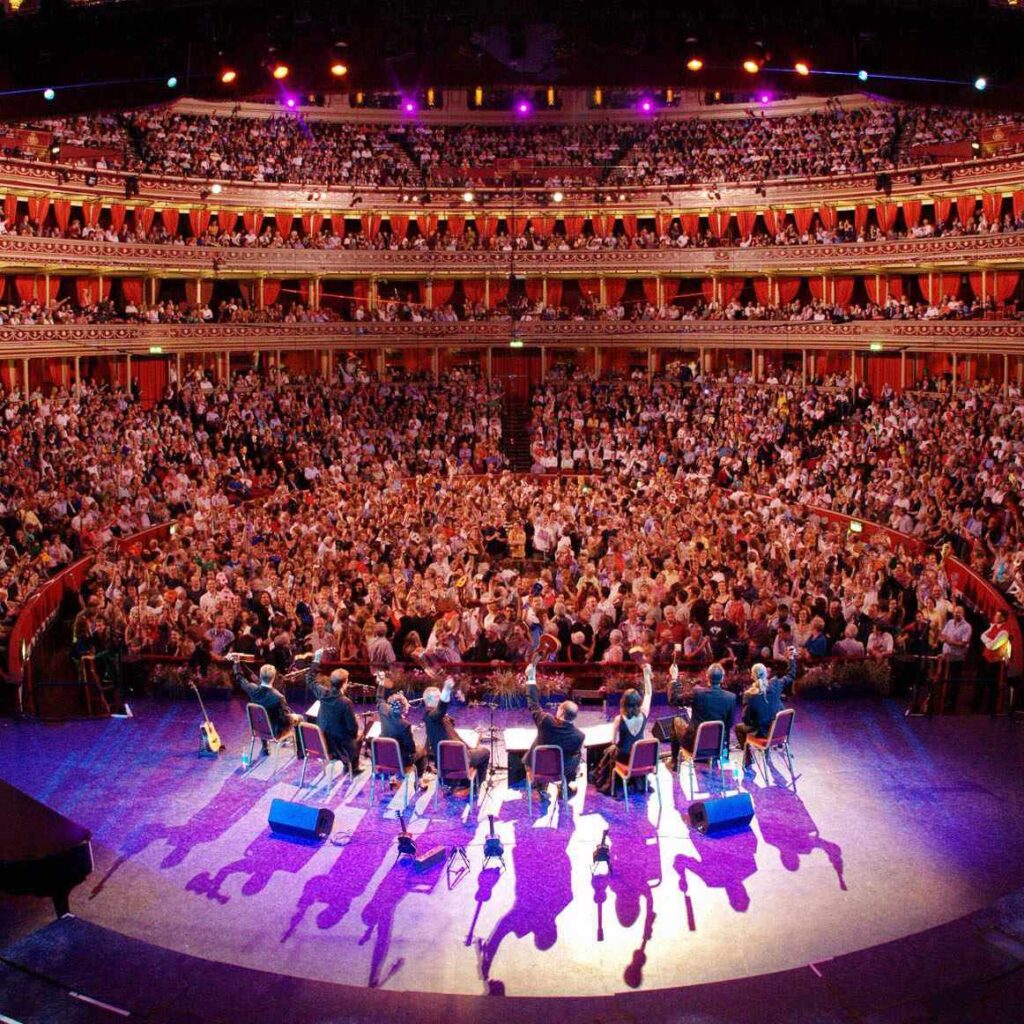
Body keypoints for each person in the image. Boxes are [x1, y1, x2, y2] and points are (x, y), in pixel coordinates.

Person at [524, 661, 585, 795]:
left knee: (541, 743)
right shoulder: (579, 736)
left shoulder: (546, 721)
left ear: (561, 712)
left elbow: (533, 703)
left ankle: (540, 784)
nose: (557, 708)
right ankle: (565, 786)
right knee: (577, 756)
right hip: (560, 771)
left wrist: (531, 678)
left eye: (559, 708)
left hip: (537, 767)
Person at [594, 662, 654, 796]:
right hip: (639, 757)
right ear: (638, 702)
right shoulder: (644, 713)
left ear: (623, 703)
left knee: (609, 751)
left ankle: (609, 782)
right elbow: (649, 693)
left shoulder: (618, 719)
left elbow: (613, 741)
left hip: (624, 757)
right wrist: (646, 675)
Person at [423, 675, 490, 787]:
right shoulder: (433, 716)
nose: (441, 698)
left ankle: (464, 782)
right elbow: (441, 709)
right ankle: (475, 786)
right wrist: (446, 689)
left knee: (474, 748)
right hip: (457, 760)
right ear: (433, 700)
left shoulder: (430, 718)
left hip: (443, 762)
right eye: (439, 697)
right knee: (485, 752)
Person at [735, 649, 798, 765]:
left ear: (752, 676)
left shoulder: (749, 695)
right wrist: (791, 658)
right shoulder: (776, 684)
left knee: (739, 728)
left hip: (764, 734)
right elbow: (791, 675)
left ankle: (748, 759)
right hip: (779, 731)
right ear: (766, 674)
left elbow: (747, 720)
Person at [669, 661, 736, 768]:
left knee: (676, 720)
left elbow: (674, 700)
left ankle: (674, 761)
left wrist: (674, 678)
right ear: (722, 678)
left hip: (695, 744)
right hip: (718, 746)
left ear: (707, 677)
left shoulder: (697, 693)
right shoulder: (731, 697)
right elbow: (729, 724)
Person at [306, 650, 362, 770]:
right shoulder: (346, 702)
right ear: (345, 683)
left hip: (322, 739)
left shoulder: (323, 693)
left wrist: (316, 660)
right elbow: (353, 729)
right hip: (338, 745)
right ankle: (352, 766)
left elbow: (310, 679)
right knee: (359, 735)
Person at [233, 659, 300, 755]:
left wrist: (236, 663)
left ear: (260, 676)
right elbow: (285, 720)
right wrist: (293, 717)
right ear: (273, 678)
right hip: (274, 731)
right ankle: (300, 752)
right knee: (299, 718)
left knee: (262, 717)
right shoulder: (278, 697)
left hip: (257, 728)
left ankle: (265, 747)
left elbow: (240, 679)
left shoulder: (252, 689)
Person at [374, 671, 428, 776]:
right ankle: (419, 778)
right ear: (404, 709)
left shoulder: (383, 709)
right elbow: (411, 749)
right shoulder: (405, 725)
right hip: (400, 760)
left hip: (383, 756)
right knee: (422, 751)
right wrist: (411, 735)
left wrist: (381, 682)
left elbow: (379, 698)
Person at [976, 609, 1011, 714]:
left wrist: (987, 641)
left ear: (1003, 618)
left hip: (994, 662)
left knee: (992, 687)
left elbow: (992, 646)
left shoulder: (1004, 632)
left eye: (997, 616)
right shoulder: (993, 626)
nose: (995, 617)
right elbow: (982, 635)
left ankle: (990, 709)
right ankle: (978, 705)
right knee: (980, 683)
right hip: (985, 659)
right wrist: (988, 641)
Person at [939, 604, 972, 712]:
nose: (956, 614)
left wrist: (950, 642)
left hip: (957, 658)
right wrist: (945, 639)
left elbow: (963, 643)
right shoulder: (949, 622)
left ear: (963, 614)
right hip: (946, 655)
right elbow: (942, 635)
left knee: (954, 681)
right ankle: (942, 699)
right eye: (955, 612)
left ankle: (951, 703)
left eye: (958, 612)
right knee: (943, 678)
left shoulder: (967, 627)